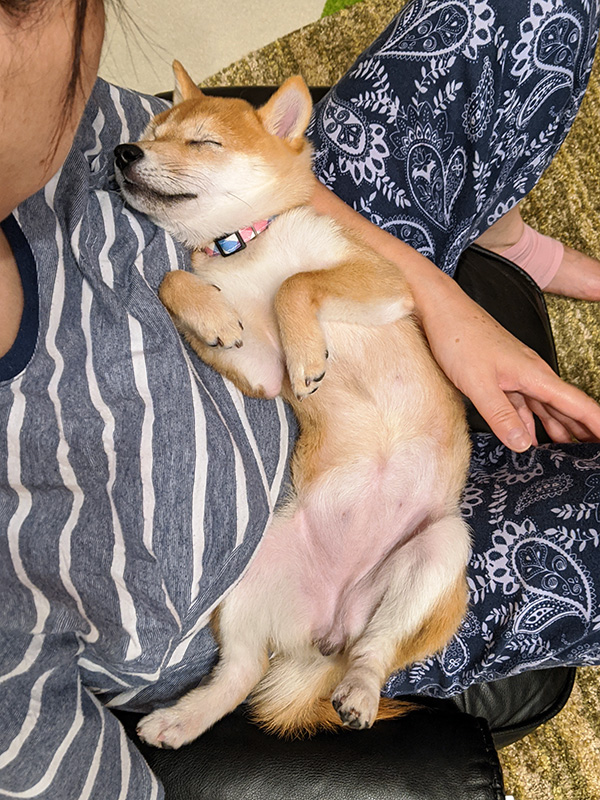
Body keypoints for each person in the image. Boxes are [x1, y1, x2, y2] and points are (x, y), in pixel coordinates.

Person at [1, 0, 600, 796]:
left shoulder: (80, 128)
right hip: (317, 557)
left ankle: (511, 245)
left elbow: (255, 170)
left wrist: (442, 304)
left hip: (279, 238)